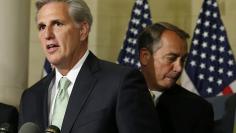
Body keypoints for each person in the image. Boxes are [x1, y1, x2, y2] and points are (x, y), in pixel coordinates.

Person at [19, 0, 161, 133]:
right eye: (42, 27)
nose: (47, 35)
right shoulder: (31, 97)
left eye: (57, 24)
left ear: (83, 30)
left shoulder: (121, 82)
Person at [138, 22, 214, 133]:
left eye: (183, 60)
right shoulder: (114, 97)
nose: (179, 68)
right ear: (145, 57)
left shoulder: (197, 109)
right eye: (171, 58)